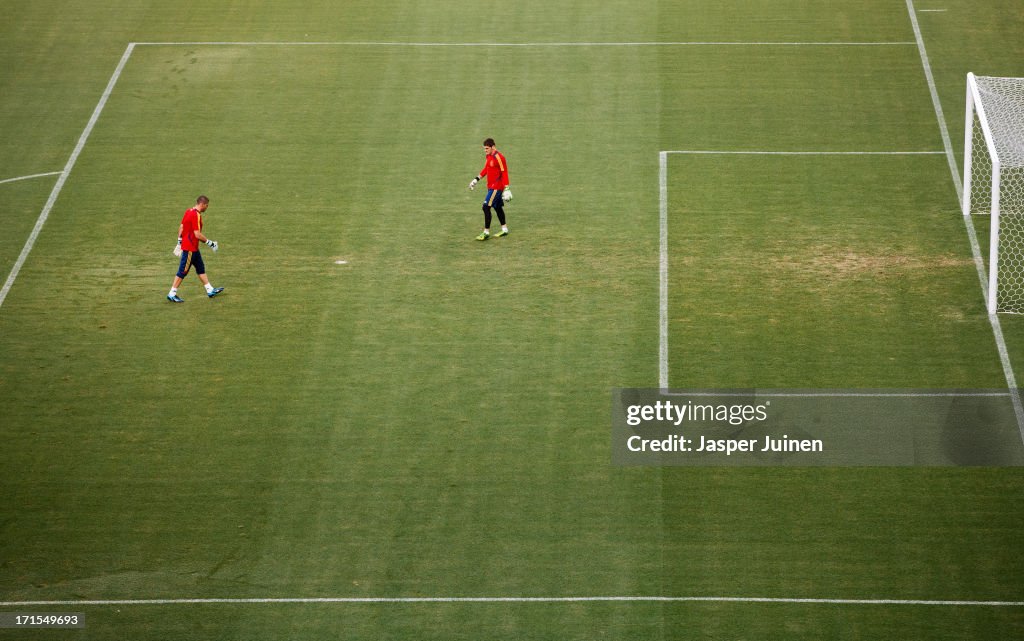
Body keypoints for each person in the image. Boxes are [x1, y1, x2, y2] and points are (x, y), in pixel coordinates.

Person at [166, 195, 223, 302]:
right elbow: (197, 234)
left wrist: (179, 242)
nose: (207, 207)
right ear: (202, 204)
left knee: (200, 268)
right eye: (207, 205)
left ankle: (209, 289)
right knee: (183, 271)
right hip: (190, 248)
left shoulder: (188, 211)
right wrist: (211, 243)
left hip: (193, 248)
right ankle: (172, 293)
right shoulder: (196, 215)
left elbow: (182, 227)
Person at [468, 138, 512, 240]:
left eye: (487, 148)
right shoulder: (488, 156)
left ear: (493, 147)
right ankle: (504, 229)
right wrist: (476, 179)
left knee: (486, 207)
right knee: (497, 207)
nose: (485, 150)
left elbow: (504, 172)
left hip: (496, 187)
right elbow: (486, 169)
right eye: (484, 148)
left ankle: (486, 232)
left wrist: (507, 188)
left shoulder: (500, 157)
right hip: (491, 187)